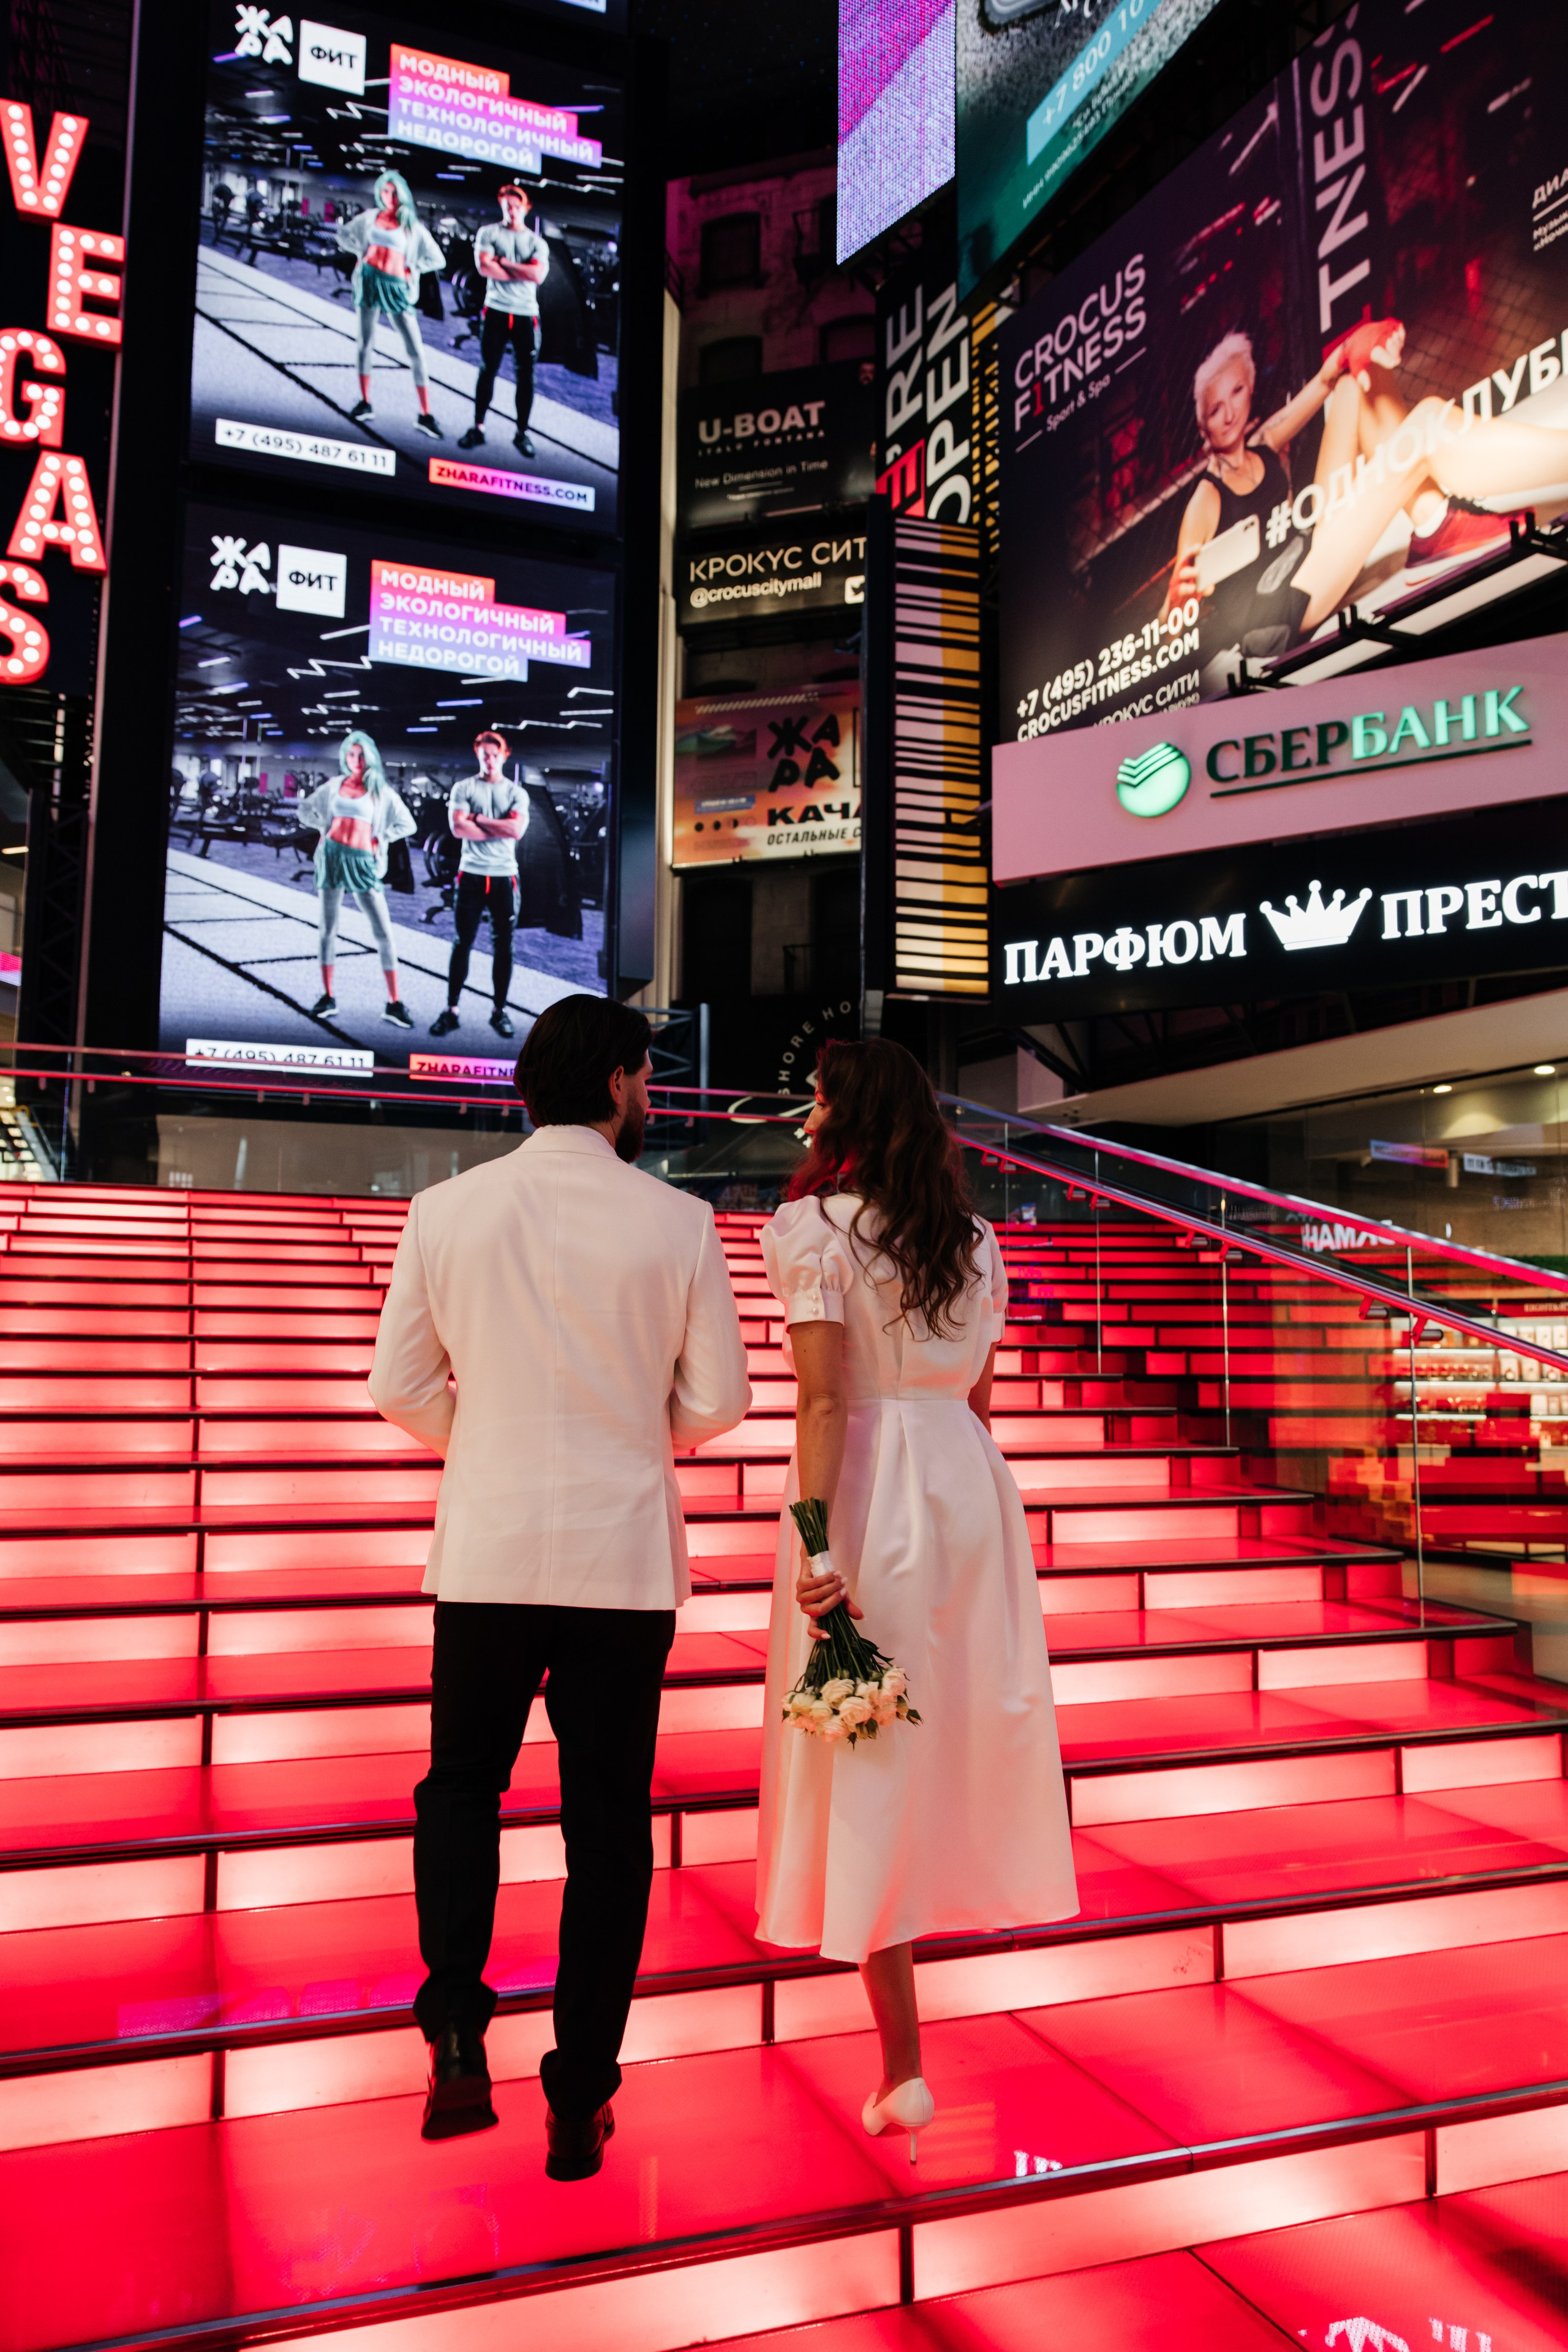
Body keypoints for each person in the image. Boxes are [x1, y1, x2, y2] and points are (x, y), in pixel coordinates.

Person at [368, 996, 751, 2171]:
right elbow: (722, 1401)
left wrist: (481, 1445)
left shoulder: (445, 1212)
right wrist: (642, 1439)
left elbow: (399, 1384)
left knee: (459, 1797)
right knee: (607, 1833)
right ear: (626, 1081)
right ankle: (581, 2092)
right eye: (647, 1078)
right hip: (620, 1563)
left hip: (486, 1552)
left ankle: (455, 2031)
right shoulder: (680, 1221)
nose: (651, 1094)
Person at [756, 1039, 1077, 2158]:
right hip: (969, 1491)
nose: (805, 1109)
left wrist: (811, 1541)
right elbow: (978, 1395)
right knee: (947, 1729)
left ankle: (902, 2066)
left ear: (848, 1114)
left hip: (870, 1492)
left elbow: (822, 1400)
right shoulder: (977, 1241)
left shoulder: (810, 1231)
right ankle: (906, 2055)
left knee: (867, 1736)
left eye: (819, 1095)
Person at [1167, 322, 1568, 667]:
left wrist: (1365, 341)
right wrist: (1176, 603)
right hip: (1282, 607)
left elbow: (1330, 376)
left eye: (1236, 392)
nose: (1230, 413)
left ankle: (1435, 522)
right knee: (1425, 427)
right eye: (1216, 409)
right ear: (1203, 424)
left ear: (1250, 388)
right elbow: (1171, 634)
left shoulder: (1262, 441)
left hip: (1304, 548)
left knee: (1354, 381)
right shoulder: (1206, 498)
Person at [297, 730, 416, 1028]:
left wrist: (380, 838)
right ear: (345, 757)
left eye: (362, 755)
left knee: (383, 932)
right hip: (332, 857)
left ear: (371, 757)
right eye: (351, 754)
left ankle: (394, 1002)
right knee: (328, 929)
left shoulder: (381, 791)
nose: (356, 760)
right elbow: (305, 810)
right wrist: (323, 829)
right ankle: (327, 996)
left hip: (363, 862)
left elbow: (407, 823)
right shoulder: (334, 786)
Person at [430, 730, 528, 1041]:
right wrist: (495, 827)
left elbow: (516, 830)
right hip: (471, 874)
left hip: (504, 877)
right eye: (484, 755)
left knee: (504, 947)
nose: (489, 760)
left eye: (494, 755)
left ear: (504, 755)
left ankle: (499, 1012)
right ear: (478, 755)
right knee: (462, 943)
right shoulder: (464, 787)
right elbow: (459, 829)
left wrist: (479, 818)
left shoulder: (517, 793)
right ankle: (452, 1010)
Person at [337, 171, 446, 439]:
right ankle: (364, 402)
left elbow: (437, 258)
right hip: (368, 280)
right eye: (386, 192)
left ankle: (425, 414)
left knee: (415, 350)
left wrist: (413, 268)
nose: (390, 198)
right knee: (365, 342)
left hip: (397, 287)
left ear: (403, 195)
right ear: (379, 193)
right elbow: (343, 234)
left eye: (395, 193)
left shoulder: (411, 225)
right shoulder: (370, 218)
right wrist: (360, 254)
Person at [458, 184, 549, 459]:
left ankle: (522, 434)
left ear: (526, 208)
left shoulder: (537, 243)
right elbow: (485, 268)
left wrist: (502, 262)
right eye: (507, 205)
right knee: (488, 370)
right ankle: (478, 427)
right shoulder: (488, 233)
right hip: (496, 311)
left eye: (516, 206)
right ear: (501, 206)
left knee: (526, 377)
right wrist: (519, 269)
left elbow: (537, 276)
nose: (511, 210)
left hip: (526, 315)